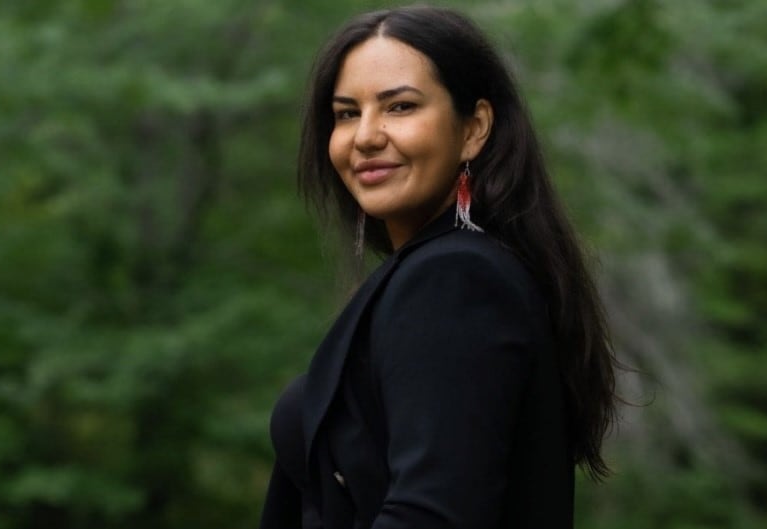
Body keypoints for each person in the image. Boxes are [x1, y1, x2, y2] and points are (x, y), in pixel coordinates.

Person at [260, 5, 618, 529]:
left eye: (399, 107)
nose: (365, 136)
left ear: (474, 129)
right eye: (345, 113)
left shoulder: (455, 279)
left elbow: (431, 515)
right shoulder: (454, 270)